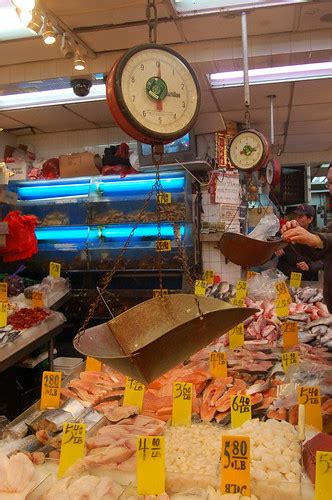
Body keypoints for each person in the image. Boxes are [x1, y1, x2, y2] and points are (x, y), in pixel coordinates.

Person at [281, 165, 332, 311]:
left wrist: (311, 264)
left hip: (309, 278)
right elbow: (323, 252)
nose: (330, 188)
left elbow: (323, 246)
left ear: (310, 219)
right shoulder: (327, 228)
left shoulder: (318, 234)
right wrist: (281, 243)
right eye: (328, 182)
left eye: (301, 216)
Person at [276, 204, 323, 281]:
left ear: (310, 219)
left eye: (300, 217)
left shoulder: (316, 237)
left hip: (306, 278)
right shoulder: (285, 231)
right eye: (295, 216)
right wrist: (275, 247)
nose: (296, 219)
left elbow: (325, 260)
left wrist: (310, 266)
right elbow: (270, 244)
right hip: (284, 276)